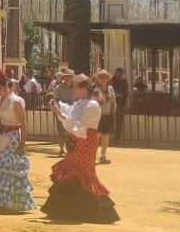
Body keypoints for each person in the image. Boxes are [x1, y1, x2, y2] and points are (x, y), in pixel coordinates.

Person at [45, 75, 119, 223]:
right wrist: (58, 107)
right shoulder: (81, 103)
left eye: (75, 87)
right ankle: (72, 210)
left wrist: (59, 112)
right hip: (78, 140)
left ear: (84, 89)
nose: (73, 89)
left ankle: (79, 211)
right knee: (74, 170)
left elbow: (79, 126)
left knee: (82, 171)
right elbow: (70, 113)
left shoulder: (91, 105)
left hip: (85, 140)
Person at [0, 68, 35, 213]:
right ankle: (1, 201)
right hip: (1, 137)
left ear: (6, 86)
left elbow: (23, 124)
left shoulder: (16, 101)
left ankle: (10, 202)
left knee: (9, 168)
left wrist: (23, 144)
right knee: (2, 169)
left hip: (13, 137)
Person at [92, 70, 115, 164]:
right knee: (96, 136)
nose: (103, 79)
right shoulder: (93, 88)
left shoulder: (110, 88)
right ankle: (92, 155)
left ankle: (103, 155)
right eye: (101, 77)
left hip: (107, 114)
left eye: (105, 77)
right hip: (96, 115)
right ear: (97, 78)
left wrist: (113, 110)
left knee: (106, 136)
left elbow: (113, 101)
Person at [111, 67, 129, 144]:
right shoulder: (111, 81)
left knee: (119, 122)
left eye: (119, 74)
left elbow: (127, 92)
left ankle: (117, 139)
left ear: (122, 74)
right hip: (111, 103)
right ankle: (108, 137)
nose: (118, 75)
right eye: (117, 73)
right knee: (110, 119)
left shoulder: (124, 81)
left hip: (120, 103)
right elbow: (108, 90)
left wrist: (123, 95)